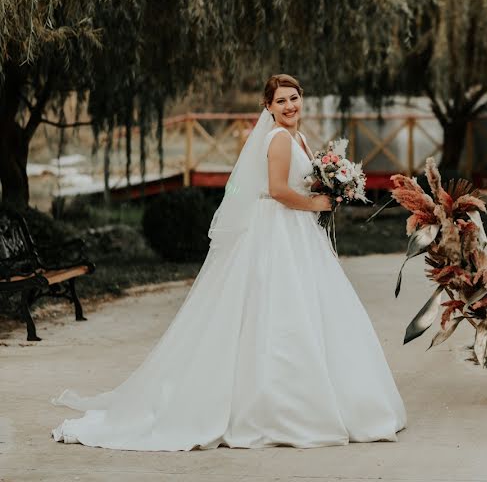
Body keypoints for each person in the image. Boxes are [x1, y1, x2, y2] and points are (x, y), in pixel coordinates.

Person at [51, 74, 406, 451]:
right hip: (278, 231)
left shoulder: (299, 138)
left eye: (294, 98)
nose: (289, 106)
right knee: (278, 312)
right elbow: (277, 190)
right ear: (268, 107)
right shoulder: (280, 138)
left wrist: (329, 188)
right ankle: (277, 409)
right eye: (281, 101)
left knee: (311, 309)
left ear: (303, 99)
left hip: (297, 233)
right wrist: (317, 203)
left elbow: (298, 184)